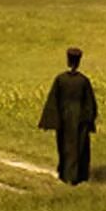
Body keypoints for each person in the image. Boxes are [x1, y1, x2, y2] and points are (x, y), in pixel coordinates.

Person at [39, 46, 98, 185]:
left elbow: (53, 100)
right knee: (80, 147)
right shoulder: (84, 80)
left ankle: (65, 174)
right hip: (80, 118)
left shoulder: (60, 79)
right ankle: (78, 176)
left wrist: (52, 120)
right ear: (79, 62)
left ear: (68, 60)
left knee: (64, 146)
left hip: (64, 117)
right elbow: (90, 103)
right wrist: (89, 120)